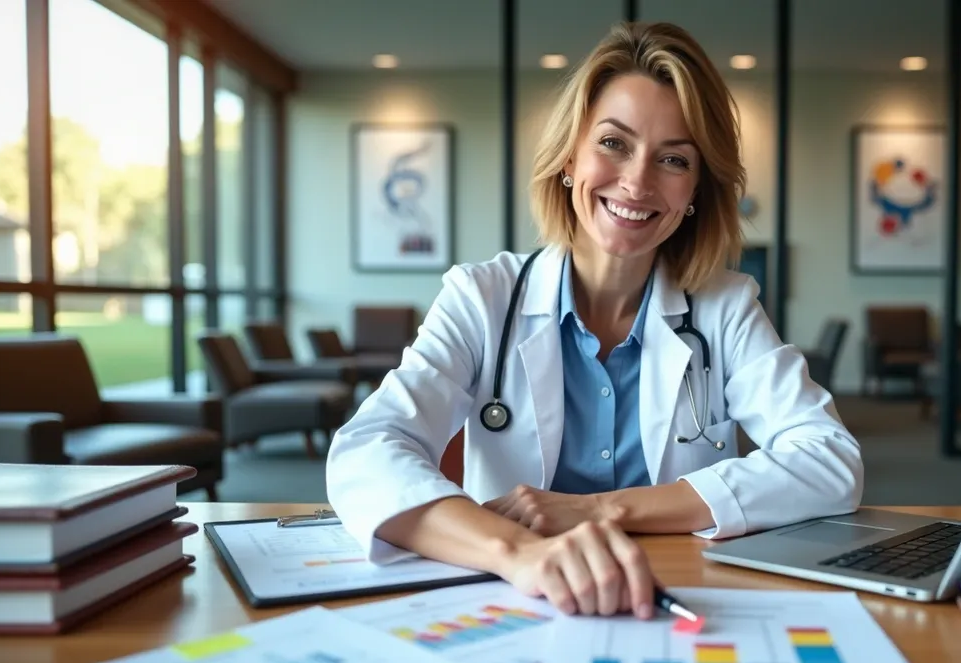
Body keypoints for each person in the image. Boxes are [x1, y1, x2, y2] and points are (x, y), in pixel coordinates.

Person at [326, 21, 863, 621]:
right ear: (568, 157)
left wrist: (602, 509)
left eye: (673, 159)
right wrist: (521, 553)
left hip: (674, 600)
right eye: (613, 142)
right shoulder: (482, 297)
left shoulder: (725, 307)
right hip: (515, 600)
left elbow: (830, 460)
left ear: (694, 192)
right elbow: (367, 452)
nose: (636, 181)